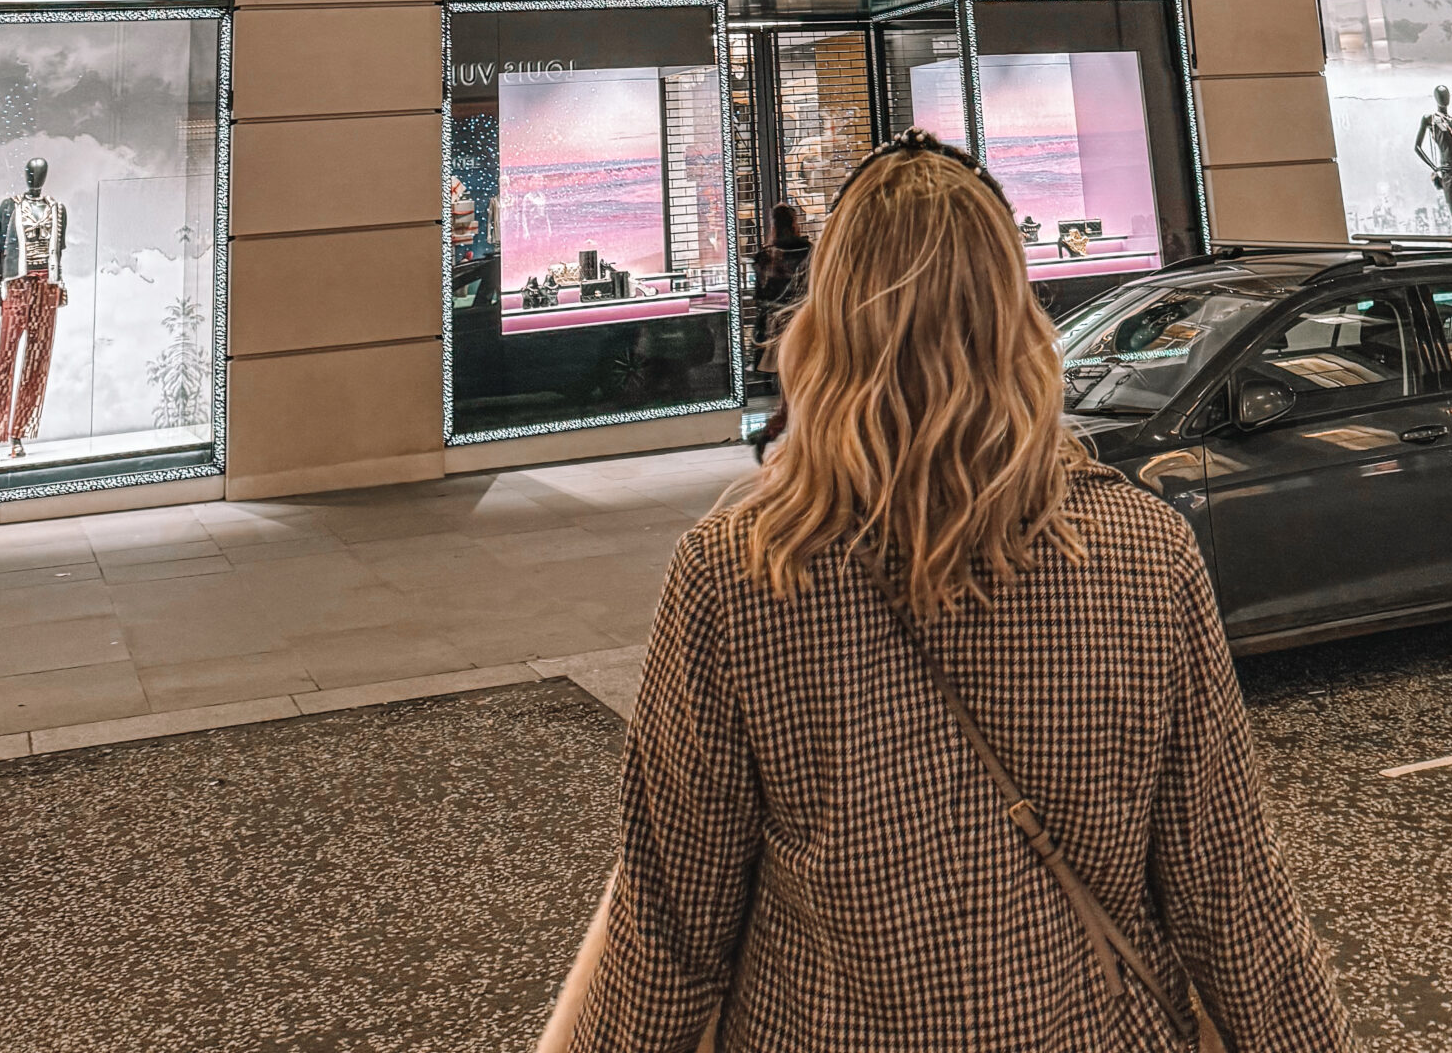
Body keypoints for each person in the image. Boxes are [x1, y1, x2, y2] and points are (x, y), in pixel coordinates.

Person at [557, 128, 1350, 1053]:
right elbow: (1230, 898)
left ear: (825, 325)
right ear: (1019, 320)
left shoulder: (742, 575)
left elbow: (666, 927)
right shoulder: (1143, 558)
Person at [749, 199, 811, 371]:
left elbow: (761, 294)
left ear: (773, 225)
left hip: (773, 325)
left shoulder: (765, 256)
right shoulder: (808, 251)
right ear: (794, 224)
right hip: (802, 319)